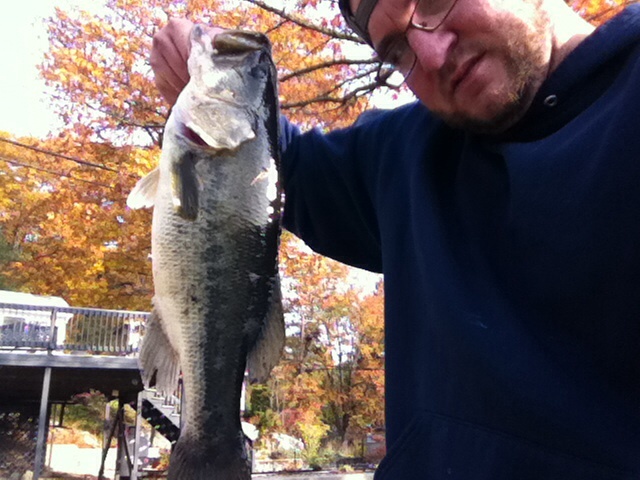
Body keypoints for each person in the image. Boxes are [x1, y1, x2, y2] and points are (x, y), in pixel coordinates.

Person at [150, 0, 640, 478]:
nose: (430, 55)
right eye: (397, 50)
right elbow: (274, 164)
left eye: (434, 2)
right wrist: (215, 80)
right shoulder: (402, 155)